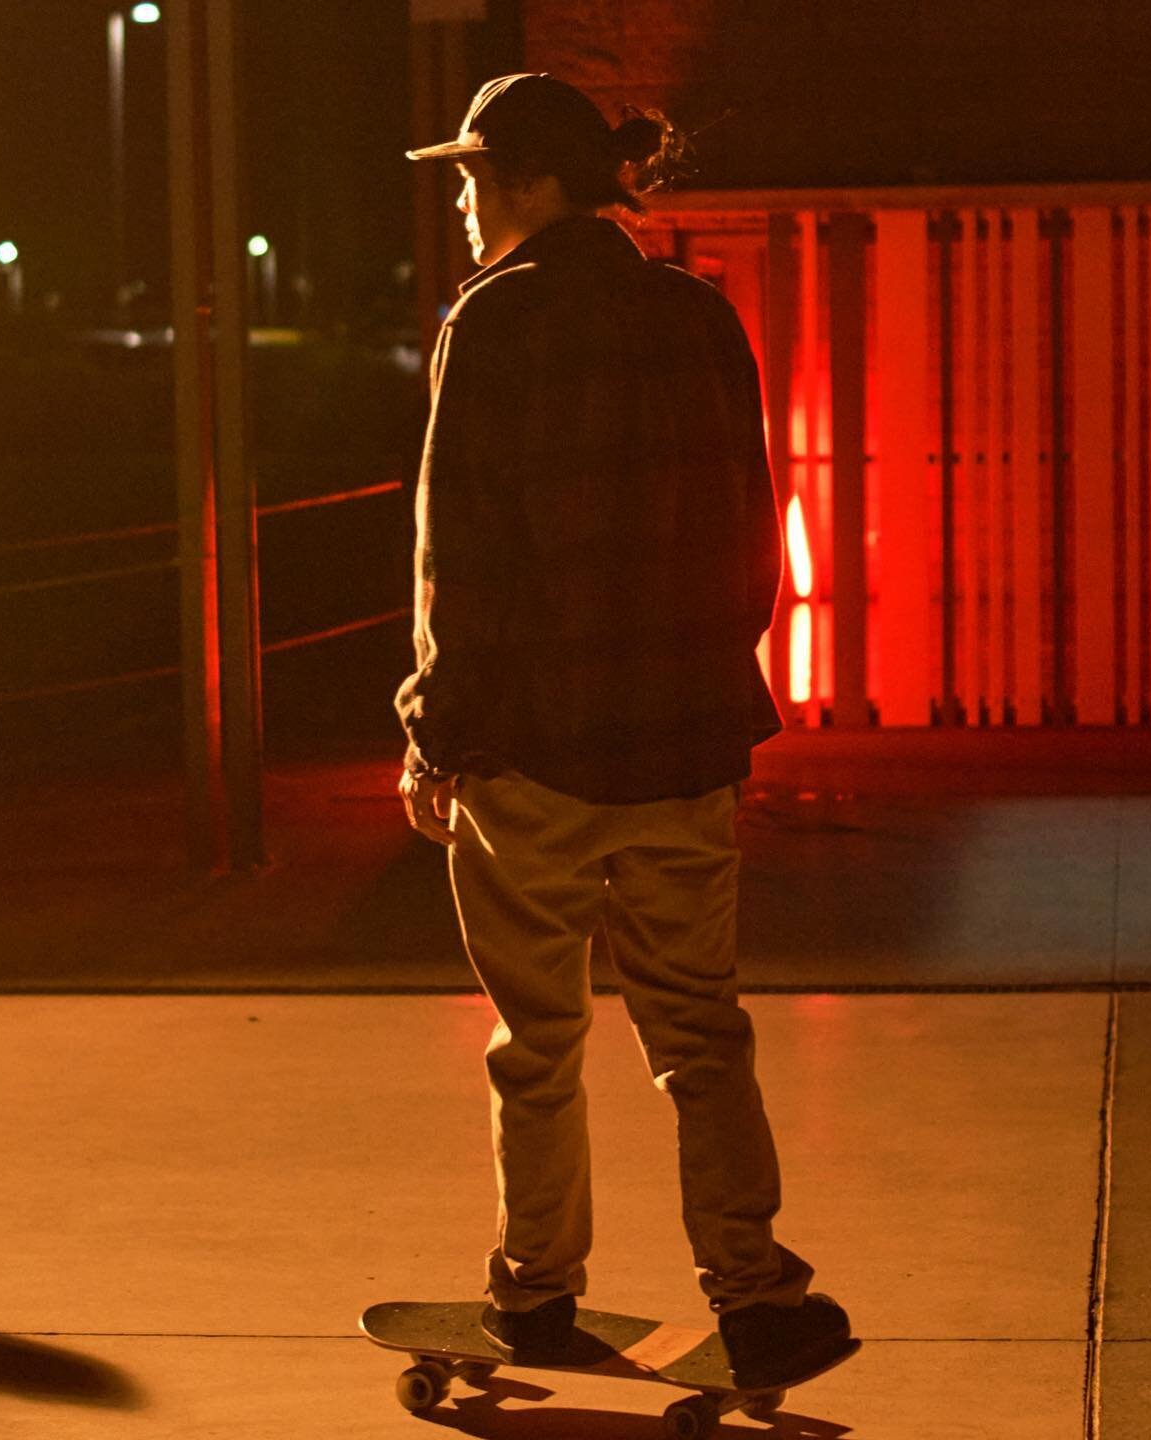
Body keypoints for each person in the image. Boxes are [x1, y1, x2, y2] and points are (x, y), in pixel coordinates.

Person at [395, 71, 851, 1391]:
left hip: (532, 752)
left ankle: (536, 1292)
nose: (470, 203)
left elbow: (461, 559)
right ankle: (755, 1292)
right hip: (682, 749)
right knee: (701, 1033)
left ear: (534, 182)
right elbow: (752, 535)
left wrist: (435, 730)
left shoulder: (494, 324)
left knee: (537, 1044)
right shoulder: (698, 315)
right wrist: (710, 679)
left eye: (480, 177)